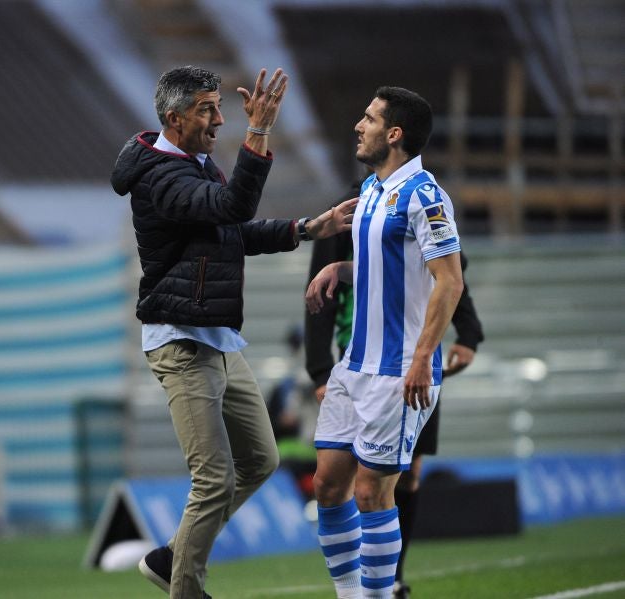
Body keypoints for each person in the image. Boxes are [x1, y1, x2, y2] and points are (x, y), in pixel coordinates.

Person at [110, 65, 357, 599]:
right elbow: (233, 207)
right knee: (214, 477)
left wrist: (308, 228)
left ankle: (171, 556)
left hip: (217, 338)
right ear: (174, 118)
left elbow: (231, 230)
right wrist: (259, 132)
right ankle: (186, 588)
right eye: (207, 109)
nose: (220, 119)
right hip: (181, 341)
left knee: (261, 460)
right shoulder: (159, 176)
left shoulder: (194, 164)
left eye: (220, 107)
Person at [305, 86, 464, 599]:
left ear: (394, 134)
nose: (359, 126)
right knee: (329, 485)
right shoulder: (371, 190)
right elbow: (392, 267)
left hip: (398, 371)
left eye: (369, 119)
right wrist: (341, 267)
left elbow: (450, 280)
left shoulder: (425, 195)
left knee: (373, 494)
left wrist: (423, 358)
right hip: (354, 364)